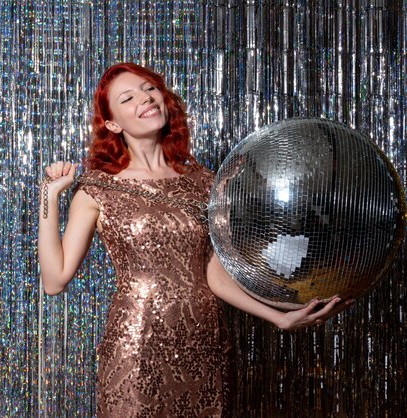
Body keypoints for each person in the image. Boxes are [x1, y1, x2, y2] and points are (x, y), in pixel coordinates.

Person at [37, 62, 352, 417]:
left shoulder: (205, 182)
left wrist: (278, 316)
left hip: (206, 343)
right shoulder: (99, 188)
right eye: (128, 98)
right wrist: (49, 197)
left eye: (149, 88)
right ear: (113, 124)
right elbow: (54, 280)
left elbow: (214, 274)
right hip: (138, 343)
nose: (145, 98)